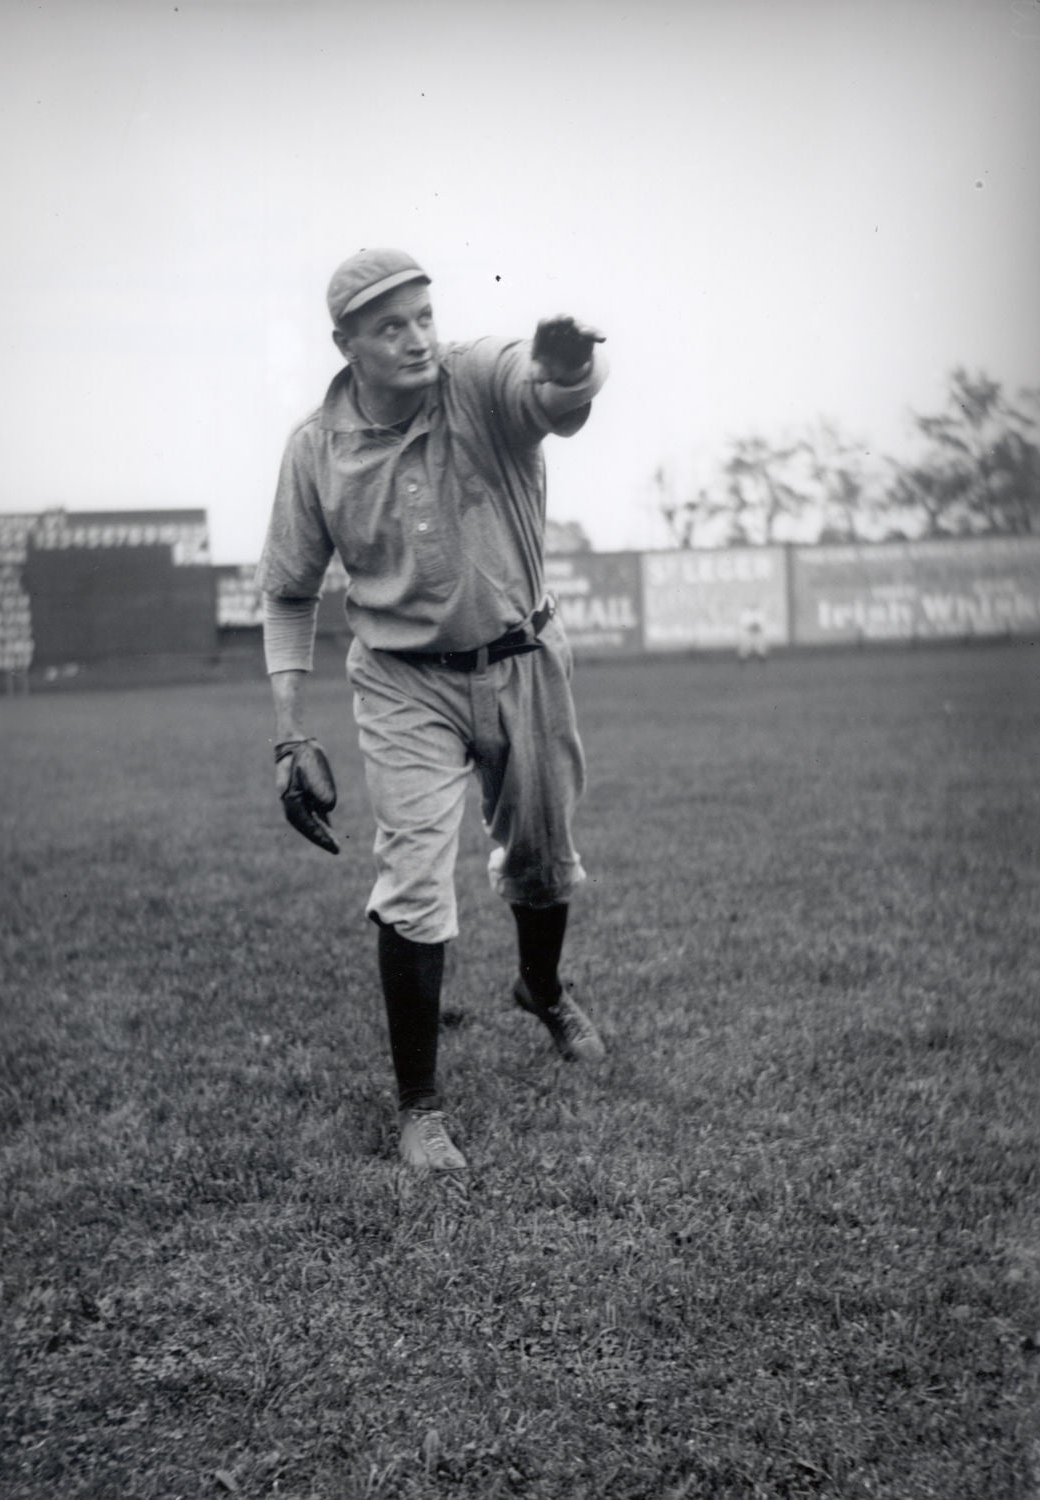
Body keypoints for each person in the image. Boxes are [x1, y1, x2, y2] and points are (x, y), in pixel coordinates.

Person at [257, 247, 609, 1171]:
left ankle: (541, 987)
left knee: (541, 857)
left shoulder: (476, 381)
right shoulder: (314, 450)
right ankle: (420, 1108)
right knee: (413, 876)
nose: (417, 338)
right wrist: (292, 731)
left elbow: (551, 397)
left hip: (524, 655)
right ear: (346, 345)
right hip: (404, 679)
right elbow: (290, 591)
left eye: (422, 316)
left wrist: (573, 368)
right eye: (389, 326)